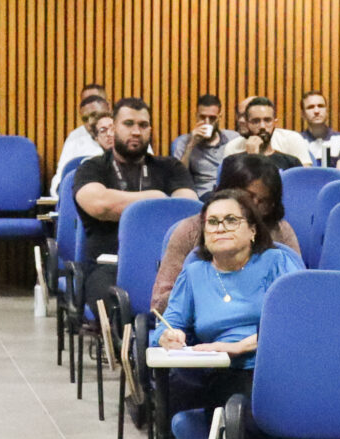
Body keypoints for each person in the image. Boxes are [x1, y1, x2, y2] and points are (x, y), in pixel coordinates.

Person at [156, 189, 310, 439]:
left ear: (253, 229)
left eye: (231, 220)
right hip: (223, 376)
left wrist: (241, 344)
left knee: (282, 407)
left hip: (280, 366)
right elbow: (168, 324)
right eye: (212, 222)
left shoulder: (277, 261)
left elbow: (299, 317)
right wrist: (170, 336)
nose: (220, 228)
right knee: (249, 409)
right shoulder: (195, 272)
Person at [72, 99, 194, 308]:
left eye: (143, 125)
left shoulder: (170, 167)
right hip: (110, 265)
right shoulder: (92, 168)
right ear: (113, 128)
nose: (136, 132)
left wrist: (133, 205)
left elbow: (187, 210)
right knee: (113, 303)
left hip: (163, 263)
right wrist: (158, 198)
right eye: (128, 124)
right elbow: (100, 205)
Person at [150, 154, 298, 313]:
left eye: (264, 202)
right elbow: (159, 303)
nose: (253, 207)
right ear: (225, 193)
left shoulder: (280, 231)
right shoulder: (190, 230)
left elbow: (297, 292)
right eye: (248, 197)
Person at [223, 97, 309, 169]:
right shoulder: (232, 162)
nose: (262, 126)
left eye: (267, 120)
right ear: (247, 124)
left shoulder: (291, 162)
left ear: (275, 123)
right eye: (256, 121)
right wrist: (252, 158)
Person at [170, 93, 232, 192]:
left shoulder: (232, 138)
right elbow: (178, 177)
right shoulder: (183, 142)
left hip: (228, 191)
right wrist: (191, 145)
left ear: (219, 117)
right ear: (196, 116)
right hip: (203, 193)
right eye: (202, 117)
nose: (207, 122)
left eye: (212, 118)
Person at [54, 88, 110, 189]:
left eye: (95, 115)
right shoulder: (75, 138)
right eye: (85, 119)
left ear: (108, 109)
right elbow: (59, 180)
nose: (90, 123)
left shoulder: (126, 135)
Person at [292, 92, 340, 174]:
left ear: (327, 111)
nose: (316, 111)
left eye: (320, 106)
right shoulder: (296, 141)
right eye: (310, 107)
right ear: (303, 114)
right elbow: (303, 175)